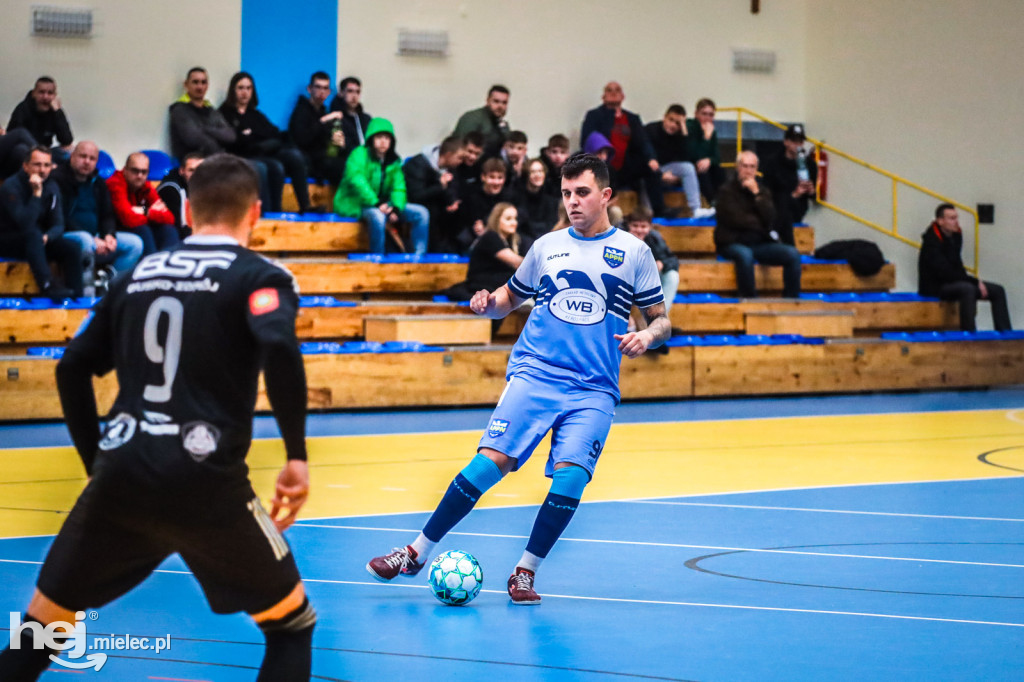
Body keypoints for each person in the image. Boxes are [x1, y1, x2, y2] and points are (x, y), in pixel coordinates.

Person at [0, 153, 315, 681]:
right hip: (207, 481)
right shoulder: (260, 275)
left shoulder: (137, 273)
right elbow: (279, 346)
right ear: (256, 213)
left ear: (187, 211)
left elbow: (72, 369)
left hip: (121, 477)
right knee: (290, 626)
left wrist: (97, 464)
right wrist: (297, 457)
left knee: (38, 636)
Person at [365, 153, 670, 605]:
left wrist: (648, 334)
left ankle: (525, 572)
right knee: (488, 465)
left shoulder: (635, 253)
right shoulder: (547, 246)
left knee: (570, 479)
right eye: (566, 193)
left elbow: (662, 320)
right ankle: (415, 552)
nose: (573, 202)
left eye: (582, 192)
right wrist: (489, 303)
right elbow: (510, 298)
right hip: (536, 373)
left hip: (594, 388)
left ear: (605, 195)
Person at [50, 141, 144, 290]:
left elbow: (107, 214)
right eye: (83, 156)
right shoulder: (57, 179)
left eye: (92, 158)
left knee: (135, 244)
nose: (87, 162)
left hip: (96, 238)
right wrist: (93, 239)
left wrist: (108, 235)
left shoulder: (98, 182)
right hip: (66, 236)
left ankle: (110, 287)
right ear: (72, 156)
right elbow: (59, 217)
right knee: (85, 240)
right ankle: (86, 292)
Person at [220, 71, 313, 214]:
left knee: (293, 156)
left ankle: (305, 206)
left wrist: (251, 134)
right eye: (240, 88)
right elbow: (235, 140)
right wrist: (253, 136)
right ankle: (269, 212)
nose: (245, 92)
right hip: (241, 156)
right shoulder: (224, 113)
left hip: (262, 152)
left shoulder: (256, 114)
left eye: (248, 88)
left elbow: (273, 133)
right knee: (273, 167)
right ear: (233, 90)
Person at [333, 117, 429, 255]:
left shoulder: (394, 161)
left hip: (383, 204)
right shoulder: (359, 154)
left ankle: (418, 258)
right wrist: (377, 203)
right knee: (378, 216)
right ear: (371, 138)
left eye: (387, 138)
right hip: (355, 203)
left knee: (421, 213)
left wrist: (396, 208)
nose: (383, 141)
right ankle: (378, 258)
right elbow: (357, 181)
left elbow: (399, 187)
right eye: (379, 137)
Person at [715, 151, 801, 298]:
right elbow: (736, 219)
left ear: (756, 169)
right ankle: (749, 299)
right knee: (745, 255)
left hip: (759, 242)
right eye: (745, 166)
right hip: (732, 241)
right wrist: (760, 222)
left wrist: (756, 194)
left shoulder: (762, 191)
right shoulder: (726, 191)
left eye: (752, 167)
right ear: (737, 167)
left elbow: (771, 217)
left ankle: (791, 300)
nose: (748, 170)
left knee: (792, 254)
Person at [0, 146, 82, 299]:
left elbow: (58, 224)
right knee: (32, 233)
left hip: (36, 241)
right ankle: (47, 285)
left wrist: (48, 237)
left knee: (71, 248)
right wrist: (36, 194)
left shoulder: (52, 186)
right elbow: (25, 223)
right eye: (37, 164)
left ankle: (77, 297)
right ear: (26, 166)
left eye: (46, 165)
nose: (42, 170)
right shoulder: (11, 187)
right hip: (8, 240)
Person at [919, 203, 1012, 332]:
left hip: (952, 281)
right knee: (968, 289)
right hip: (935, 285)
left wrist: (974, 281)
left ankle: (1005, 334)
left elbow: (957, 264)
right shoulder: (931, 242)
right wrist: (973, 281)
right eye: (951, 218)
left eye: (956, 218)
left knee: (998, 290)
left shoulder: (956, 235)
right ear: (940, 221)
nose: (956, 222)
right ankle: (969, 334)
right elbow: (944, 272)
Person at [580, 82, 663, 215]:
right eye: (609, 90)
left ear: (623, 96)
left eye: (617, 90)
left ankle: (658, 212)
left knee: (652, 170)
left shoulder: (632, 118)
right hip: (603, 166)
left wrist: (651, 158)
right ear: (603, 96)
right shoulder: (594, 115)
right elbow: (587, 140)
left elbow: (643, 142)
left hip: (626, 167)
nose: (613, 93)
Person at [444, 202, 534, 301]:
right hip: (481, 284)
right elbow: (516, 262)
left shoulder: (514, 240)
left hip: (495, 283)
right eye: (508, 219)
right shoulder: (490, 237)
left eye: (515, 218)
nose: (514, 222)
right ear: (497, 220)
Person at [645, 104, 713, 219]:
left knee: (688, 167)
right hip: (648, 171)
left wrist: (684, 130)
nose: (673, 125)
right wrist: (660, 175)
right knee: (648, 174)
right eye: (671, 120)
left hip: (667, 169)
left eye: (677, 123)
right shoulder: (650, 129)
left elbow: (688, 157)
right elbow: (642, 156)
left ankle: (696, 209)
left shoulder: (679, 135)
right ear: (665, 117)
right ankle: (651, 213)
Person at [106, 152, 179, 255]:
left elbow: (170, 218)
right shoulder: (115, 183)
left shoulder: (146, 186)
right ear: (125, 170)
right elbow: (128, 219)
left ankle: (169, 267)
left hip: (137, 225)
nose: (139, 176)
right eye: (135, 171)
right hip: (114, 230)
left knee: (169, 230)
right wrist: (153, 213)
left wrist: (145, 211)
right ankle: (151, 268)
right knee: (144, 230)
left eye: (144, 172)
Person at [404, 135, 464, 253]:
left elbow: (449, 190)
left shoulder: (449, 169)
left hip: (437, 214)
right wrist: (440, 186)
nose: (461, 162)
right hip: (414, 208)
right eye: (459, 157)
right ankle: (420, 254)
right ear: (448, 155)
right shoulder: (417, 165)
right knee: (426, 213)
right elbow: (416, 196)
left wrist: (452, 202)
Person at [760, 123, 817, 246]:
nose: (798, 145)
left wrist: (811, 191)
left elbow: (814, 197)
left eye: (800, 142)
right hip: (776, 206)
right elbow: (767, 190)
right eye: (794, 141)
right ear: (786, 142)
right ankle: (788, 247)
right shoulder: (773, 162)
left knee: (786, 208)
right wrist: (794, 194)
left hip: (797, 208)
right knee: (783, 203)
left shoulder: (810, 164)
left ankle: (774, 232)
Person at [288, 71, 345, 186]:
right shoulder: (301, 111)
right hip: (308, 161)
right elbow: (302, 140)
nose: (321, 92)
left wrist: (340, 142)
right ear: (310, 89)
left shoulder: (325, 111)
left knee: (349, 164)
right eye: (318, 87)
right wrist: (323, 121)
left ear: (329, 92)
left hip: (324, 159)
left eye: (325, 88)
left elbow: (329, 143)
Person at [624, 207, 679, 315]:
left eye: (643, 226)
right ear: (629, 225)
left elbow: (672, 260)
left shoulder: (654, 238)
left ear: (650, 227)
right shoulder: (620, 237)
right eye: (635, 226)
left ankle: (660, 315)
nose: (639, 230)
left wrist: (662, 263)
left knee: (672, 275)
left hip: (647, 284)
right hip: (626, 282)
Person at [6, 77, 74, 159]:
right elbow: (13, 137)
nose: (45, 97)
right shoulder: (23, 109)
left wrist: (58, 113)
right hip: (27, 153)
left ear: (55, 96)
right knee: (20, 150)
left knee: (69, 152)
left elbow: (67, 141)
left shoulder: (55, 111)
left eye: (50, 93)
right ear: (34, 94)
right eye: (41, 92)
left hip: (46, 151)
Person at [456, 157, 513, 252]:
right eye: (492, 177)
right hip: (473, 239)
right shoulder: (471, 196)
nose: (496, 182)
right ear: (483, 177)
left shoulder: (509, 197)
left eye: (500, 178)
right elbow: (468, 222)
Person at [452, 85, 510, 159]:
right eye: (496, 101)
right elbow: (459, 146)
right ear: (488, 101)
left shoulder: (503, 126)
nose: (500, 106)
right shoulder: (473, 118)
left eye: (504, 103)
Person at [686, 98, 726, 203]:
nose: (707, 118)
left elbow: (717, 156)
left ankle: (723, 201)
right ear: (696, 114)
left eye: (711, 115)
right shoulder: (689, 127)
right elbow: (694, 154)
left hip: (705, 165)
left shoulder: (711, 130)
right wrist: (706, 138)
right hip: (690, 164)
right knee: (703, 170)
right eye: (704, 114)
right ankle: (711, 202)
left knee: (719, 171)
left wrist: (709, 160)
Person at [157, 152, 204, 238]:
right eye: (191, 170)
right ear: (182, 171)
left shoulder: (205, 187)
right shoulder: (170, 190)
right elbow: (178, 227)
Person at [328, 76, 372, 158]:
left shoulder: (366, 119)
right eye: (350, 91)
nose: (354, 96)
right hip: (346, 161)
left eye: (357, 92)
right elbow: (333, 151)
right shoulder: (335, 118)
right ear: (341, 93)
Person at [519, 158, 560, 239]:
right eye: (533, 172)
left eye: (540, 171)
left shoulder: (551, 200)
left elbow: (551, 225)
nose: (537, 175)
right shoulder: (518, 198)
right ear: (527, 175)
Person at [499, 130, 529, 200]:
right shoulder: (496, 161)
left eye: (519, 148)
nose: (515, 152)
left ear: (525, 150)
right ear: (504, 146)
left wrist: (520, 173)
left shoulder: (528, 164)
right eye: (511, 147)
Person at [539, 134, 570, 199]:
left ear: (567, 154)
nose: (558, 156)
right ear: (548, 152)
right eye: (554, 152)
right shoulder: (541, 167)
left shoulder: (570, 170)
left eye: (562, 152)